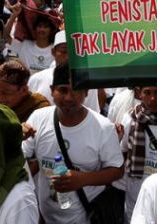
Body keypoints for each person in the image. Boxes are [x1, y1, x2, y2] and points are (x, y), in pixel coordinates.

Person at [22, 63, 124, 224]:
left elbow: (117, 170)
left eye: (76, 90)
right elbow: (22, 159)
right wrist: (16, 138)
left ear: (86, 92)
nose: (69, 97)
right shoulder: (38, 118)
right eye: (62, 90)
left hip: (87, 216)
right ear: (51, 90)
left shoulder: (103, 127)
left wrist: (83, 179)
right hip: (44, 216)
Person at [119, 86, 157, 223]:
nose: (153, 98)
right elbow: (123, 151)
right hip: (136, 191)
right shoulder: (129, 119)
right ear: (140, 93)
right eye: (147, 92)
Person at [28, 31, 103, 113]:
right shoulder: (36, 79)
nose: (68, 57)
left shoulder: (86, 81)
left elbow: (92, 114)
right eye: (64, 52)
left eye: (73, 53)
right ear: (53, 52)